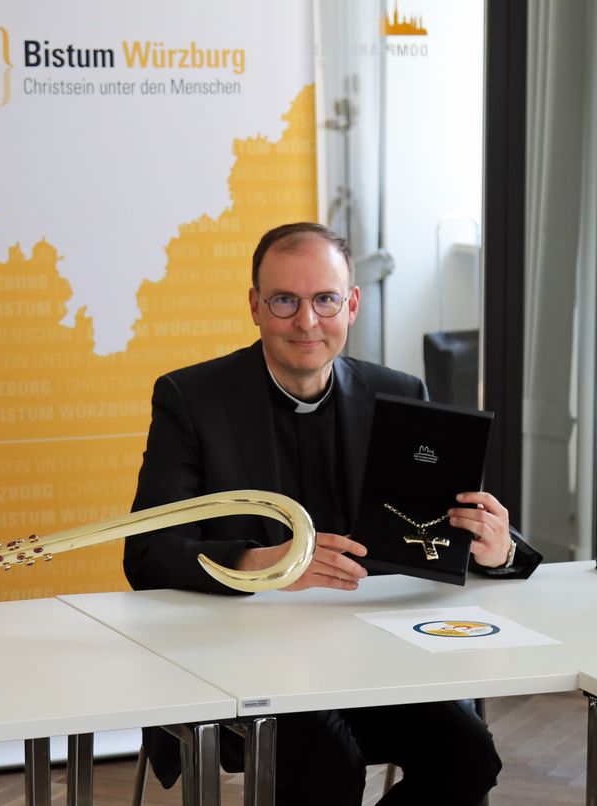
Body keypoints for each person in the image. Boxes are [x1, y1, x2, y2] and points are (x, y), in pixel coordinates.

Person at [123, 222, 541, 805]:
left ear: (352, 304)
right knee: (327, 766)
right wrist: (266, 563)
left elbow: (445, 522)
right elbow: (146, 553)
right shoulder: (191, 399)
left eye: (325, 299)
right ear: (255, 306)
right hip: (245, 661)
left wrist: (498, 550)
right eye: (285, 301)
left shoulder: (397, 392)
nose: (306, 321)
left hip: (375, 658)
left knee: (468, 755)